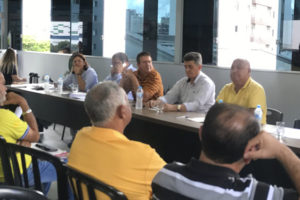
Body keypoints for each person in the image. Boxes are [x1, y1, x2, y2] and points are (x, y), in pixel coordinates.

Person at [152, 103, 300, 199]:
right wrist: (281, 150)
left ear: (200, 134)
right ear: (251, 152)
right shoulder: (252, 194)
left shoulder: (165, 176)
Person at [68, 81, 166, 200]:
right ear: (122, 112)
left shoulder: (80, 137)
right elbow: (175, 187)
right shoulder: (144, 155)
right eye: (128, 103)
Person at [0, 75, 56, 195]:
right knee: (64, 167)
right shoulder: (5, 117)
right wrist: (23, 102)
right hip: (17, 173)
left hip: (4, 173)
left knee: (44, 171)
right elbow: (35, 136)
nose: (6, 89)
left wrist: (22, 142)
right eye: (3, 84)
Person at [148, 52, 215, 112]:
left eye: (190, 67)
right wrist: (157, 102)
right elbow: (169, 97)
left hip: (201, 119)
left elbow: (196, 105)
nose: (187, 70)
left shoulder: (206, 83)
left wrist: (174, 107)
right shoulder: (183, 81)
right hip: (185, 117)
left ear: (199, 67)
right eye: (185, 67)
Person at [216, 58, 267, 124]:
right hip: (229, 127)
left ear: (249, 71)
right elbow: (216, 110)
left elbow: (252, 116)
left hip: (251, 130)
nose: (234, 71)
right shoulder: (226, 88)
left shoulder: (257, 89)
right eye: (232, 68)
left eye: (239, 68)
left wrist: (227, 114)